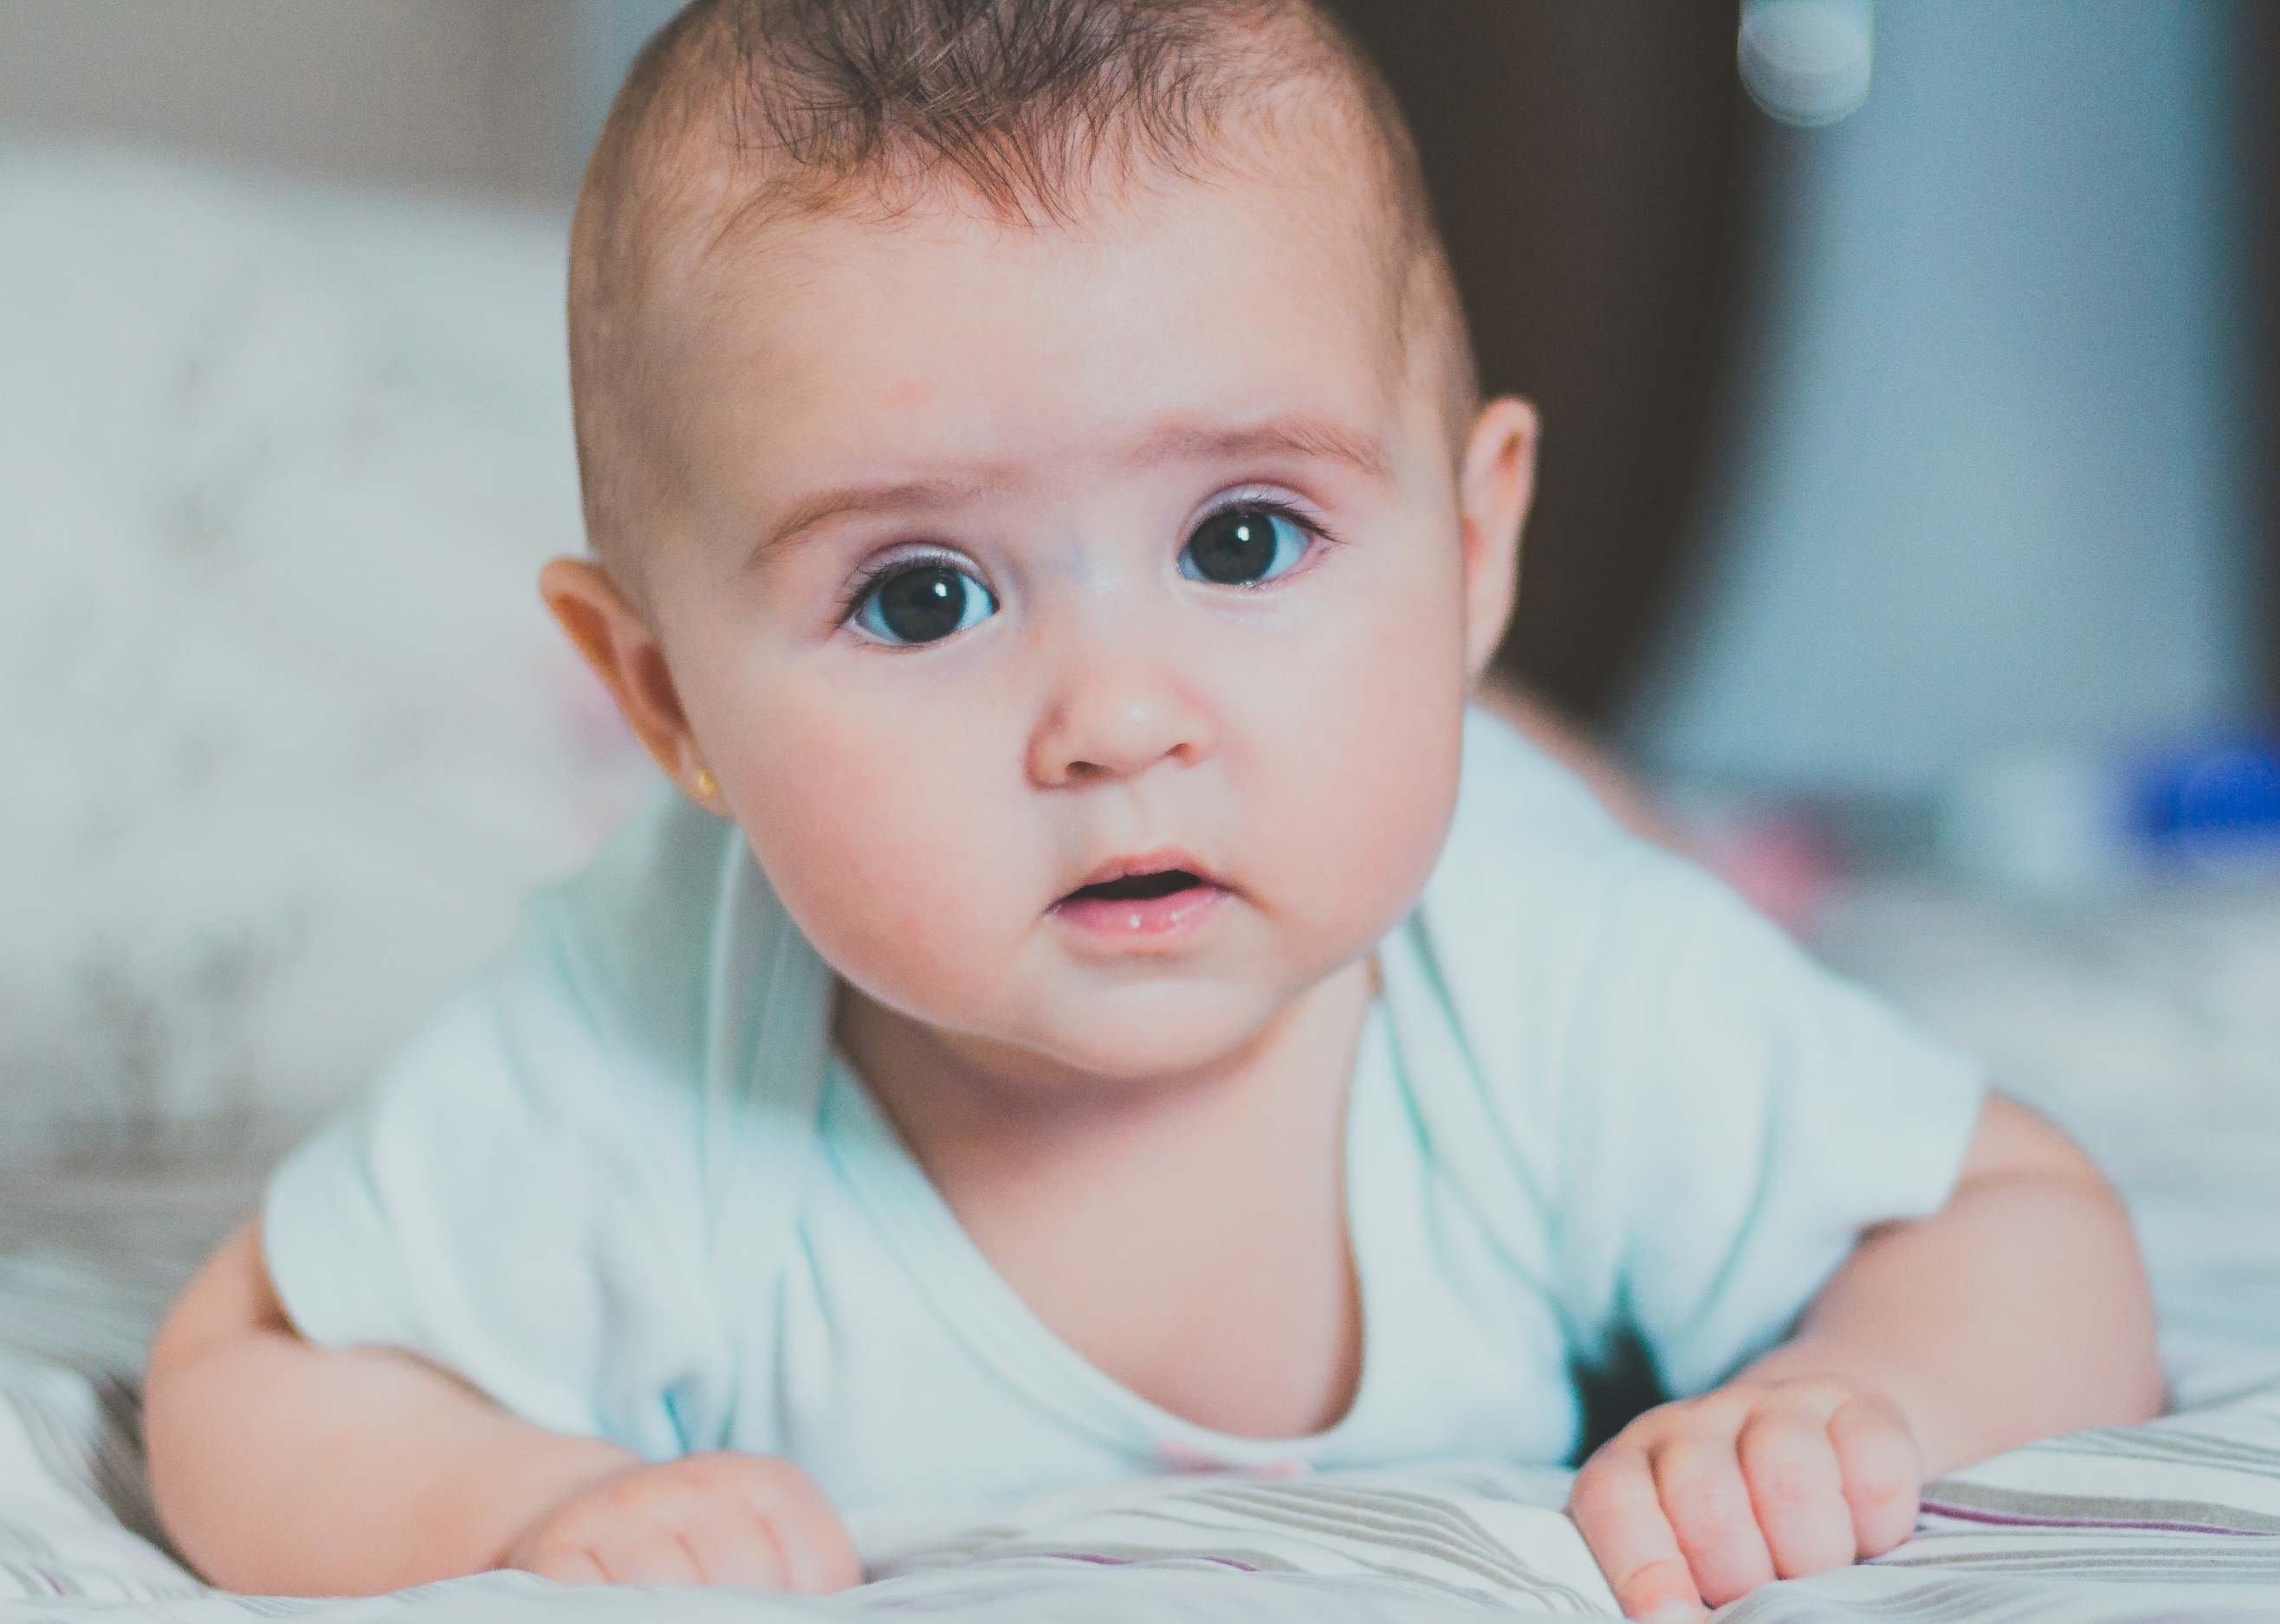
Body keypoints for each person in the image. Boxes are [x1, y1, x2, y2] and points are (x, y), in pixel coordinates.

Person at [142, 1, 2162, 1616]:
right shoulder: (643, 1037)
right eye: (921, 593)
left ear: (1474, 551)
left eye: (1247, 535)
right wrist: (533, 1497)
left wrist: (1852, 1396)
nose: (1117, 718)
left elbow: (2023, 1218)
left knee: (1617, 853)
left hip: (1552, 849)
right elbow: (245, 1376)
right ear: (667, 698)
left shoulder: (1547, 975)